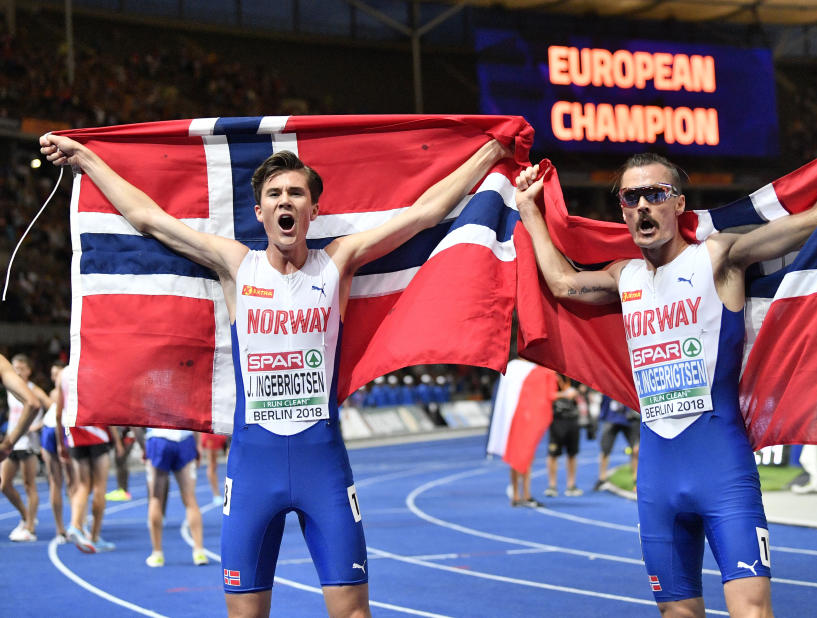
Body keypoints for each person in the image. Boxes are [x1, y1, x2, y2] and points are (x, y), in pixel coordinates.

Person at [42, 131, 507, 618]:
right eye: (274, 194)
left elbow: (425, 214)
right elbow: (147, 219)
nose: (286, 201)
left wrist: (491, 154)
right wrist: (87, 159)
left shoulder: (339, 262)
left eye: (296, 193)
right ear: (260, 212)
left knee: (354, 613)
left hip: (322, 466)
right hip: (251, 469)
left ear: (314, 210)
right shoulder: (235, 265)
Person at [515, 101, 817, 617]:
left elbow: (810, 222)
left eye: (655, 194)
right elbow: (563, 282)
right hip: (656, 472)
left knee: (752, 610)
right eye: (631, 198)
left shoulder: (717, 257)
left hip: (721, 465)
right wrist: (528, 209)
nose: (642, 207)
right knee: (676, 613)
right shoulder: (622, 276)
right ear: (623, 210)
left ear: (678, 204)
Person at [55, 363, 117, 553]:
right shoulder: (99, 369)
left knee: (82, 484)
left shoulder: (63, 374)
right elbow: (109, 404)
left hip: (74, 431)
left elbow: (58, 414)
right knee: (100, 486)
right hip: (96, 431)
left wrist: (60, 442)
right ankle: (95, 537)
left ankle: (75, 525)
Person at [143, 427, 207, 567]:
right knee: (190, 499)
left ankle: (157, 553)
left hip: (158, 439)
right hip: (184, 438)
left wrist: (144, 447)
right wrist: (197, 444)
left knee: (156, 499)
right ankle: (199, 551)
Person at [0, 354, 43, 541]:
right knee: (5, 485)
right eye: (15, 367)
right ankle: (26, 516)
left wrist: (37, 426)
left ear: (28, 370)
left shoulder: (35, 389)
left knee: (28, 484)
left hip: (26, 443)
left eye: (21, 368)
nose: (17, 371)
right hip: (10, 444)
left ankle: (30, 526)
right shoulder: (10, 388)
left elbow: (44, 406)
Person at [40, 361, 76, 543]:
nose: (55, 378)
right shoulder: (63, 390)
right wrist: (61, 443)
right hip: (58, 429)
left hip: (54, 428)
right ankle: (65, 528)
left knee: (67, 482)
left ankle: (69, 527)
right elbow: (58, 415)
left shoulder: (56, 392)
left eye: (57, 375)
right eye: (53, 375)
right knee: (64, 482)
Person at [544, 373, 583, 497]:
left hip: (573, 418)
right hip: (557, 419)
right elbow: (547, 395)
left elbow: (582, 389)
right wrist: (565, 394)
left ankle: (571, 485)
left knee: (572, 453)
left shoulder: (573, 374)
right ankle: (552, 485)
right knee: (553, 454)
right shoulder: (551, 375)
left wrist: (579, 391)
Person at [594, 394, 640, 492]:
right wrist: (603, 416)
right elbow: (604, 399)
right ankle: (602, 478)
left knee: (636, 449)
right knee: (605, 450)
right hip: (612, 418)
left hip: (629, 418)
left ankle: (636, 479)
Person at [199, 431, 229, 506]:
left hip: (229, 429)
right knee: (212, 464)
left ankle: (230, 494)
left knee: (232, 464)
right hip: (213, 432)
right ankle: (216, 495)